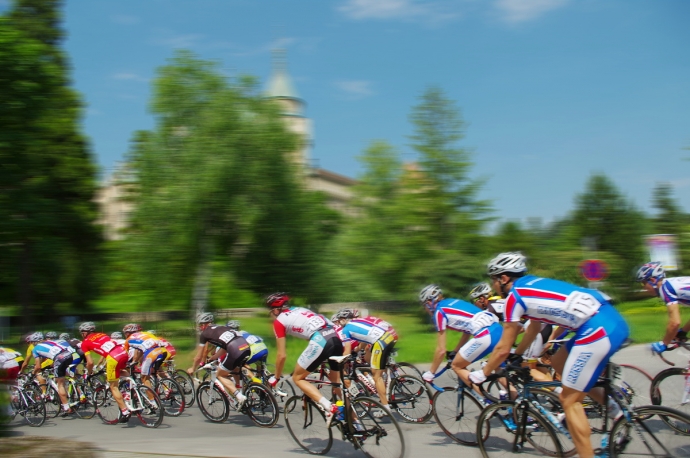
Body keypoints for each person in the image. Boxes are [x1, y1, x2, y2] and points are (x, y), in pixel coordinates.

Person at [469, 252, 630, 458]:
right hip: (610, 319)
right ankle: (615, 412)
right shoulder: (533, 284)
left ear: (504, 278)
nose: (493, 286)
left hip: (597, 330)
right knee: (558, 361)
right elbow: (534, 327)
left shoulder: (514, 298)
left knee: (569, 401)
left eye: (494, 280)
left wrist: (484, 372)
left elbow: (501, 347)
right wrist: (518, 355)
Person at [265, 292, 343, 424]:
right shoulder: (301, 310)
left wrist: (276, 378)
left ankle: (330, 407)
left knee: (298, 378)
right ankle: (353, 422)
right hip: (335, 338)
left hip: (321, 340)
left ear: (276, 310)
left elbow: (281, 355)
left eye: (271, 312)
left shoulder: (279, 322)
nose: (271, 315)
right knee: (336, 383)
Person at [418, 284, 503, 390]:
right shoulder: (453, 302)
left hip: (485, 336)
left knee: (457, 366)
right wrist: (455, 352)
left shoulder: (439, 312)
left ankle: (489, 403)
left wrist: (431, 373)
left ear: (429, 303)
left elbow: (441, 350)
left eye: (424, 306)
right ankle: (515, 400)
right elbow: (466, 332)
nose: (425, 309)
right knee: (498, 368)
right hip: (499, 330)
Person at [332, 308, 397, 413]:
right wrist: (358, 349)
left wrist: (340, 360)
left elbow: (347, 351)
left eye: (339, 321)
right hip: (388, 337)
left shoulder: (345, 330)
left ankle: (385, 408)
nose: (339, 323)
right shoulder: (357, 321)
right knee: (374, 364)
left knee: (376, 376)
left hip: (380, 342)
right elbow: (365, 337)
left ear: (343, 319)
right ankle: (388, 383)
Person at [187, 313, 250, 406]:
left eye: (201, 325)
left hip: (235, 349)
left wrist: (193, 368)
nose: (200, 327)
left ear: (206, 324)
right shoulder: (221, 328)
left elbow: (198, 356)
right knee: (234, 369)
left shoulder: (204, 334)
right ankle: (241, 390)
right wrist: (213, 358)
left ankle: (240, 397)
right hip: (246, 347)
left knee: (220, 375)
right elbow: (224, 348)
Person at [79, 321, 131, 422]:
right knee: (121, 371)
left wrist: (88, 374)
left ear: (85, 333)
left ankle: (125, 411)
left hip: (112, 357)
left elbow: (90, 362)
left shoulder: (84, 343)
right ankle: (132, 388)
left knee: (113, 386)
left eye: (82, 333)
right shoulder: (102, 334)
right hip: (123, 352)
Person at [636, 261, 690, 352]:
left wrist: (664, 343)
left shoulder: (666, 288)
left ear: (652, 280)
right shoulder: (671, 284)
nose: (644, 287)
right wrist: (683, 331)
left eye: (643, 283)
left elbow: (675, 322)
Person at [31, 333, 77, 416]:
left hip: (60, 358)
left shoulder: (35, 349)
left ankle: (66, 407)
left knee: (60, 384)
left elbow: (37, 366)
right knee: (63, 377)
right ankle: (72, 393)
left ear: (34, 342)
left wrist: (33, 373)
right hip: (70, 355)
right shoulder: (50, 342)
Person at [123, 324, 168, 395]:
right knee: (157, 371)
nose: (125, 335)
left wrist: (133, 362)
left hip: (151, 354)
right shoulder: (146, 333)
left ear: (128, 333)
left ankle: (153, 399)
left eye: (125, 333)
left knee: (144, 377)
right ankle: (167, 387)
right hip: (164, 351)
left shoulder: (129, 339)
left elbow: (128, 354)